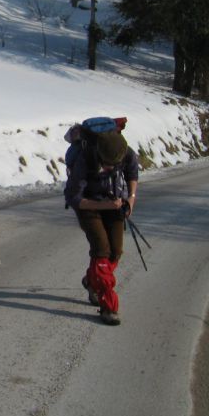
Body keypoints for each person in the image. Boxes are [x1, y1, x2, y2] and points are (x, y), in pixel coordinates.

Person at [64, 128, 139, 325]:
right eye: (106, 165)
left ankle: (91, 281)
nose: (109, 169)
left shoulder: (126, 152)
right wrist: (103, 205)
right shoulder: (84, 160)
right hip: (88, 206)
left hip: (113, 202)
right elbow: (74, 198)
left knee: (115, 251)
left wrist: (131, 199)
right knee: (101, 250)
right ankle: (109, 306)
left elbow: (132, 172)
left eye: (113, 166)